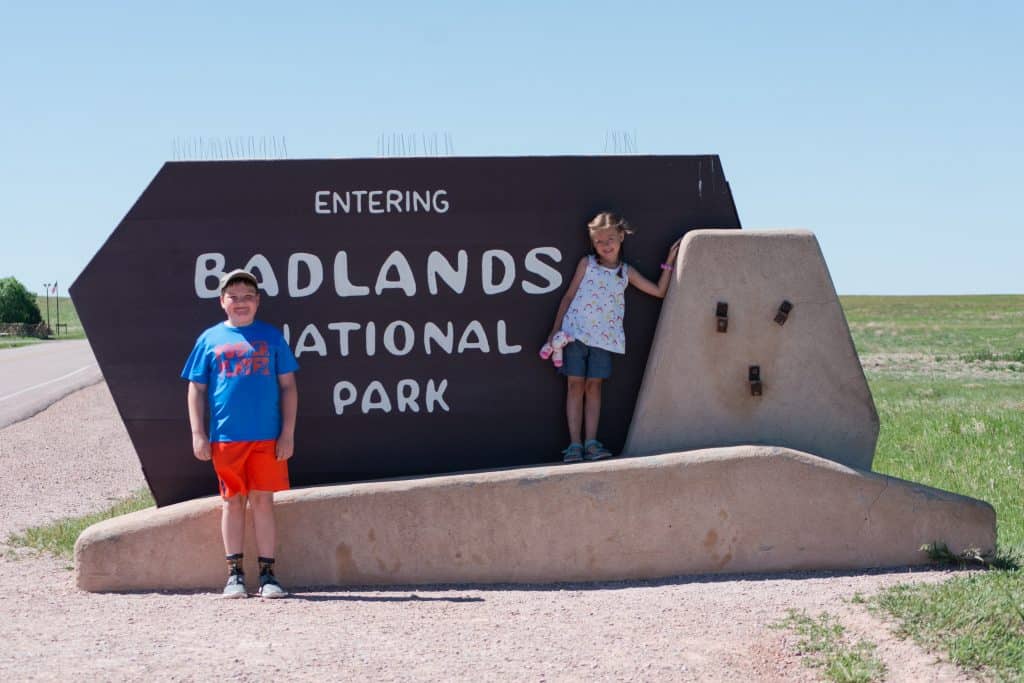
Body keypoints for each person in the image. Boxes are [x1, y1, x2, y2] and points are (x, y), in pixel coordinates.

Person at [181, 268, 299, 599]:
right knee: (232, 502)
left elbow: (288, 387)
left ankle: (268, 575)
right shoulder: (209, 339)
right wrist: (198, 433)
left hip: (266, 439)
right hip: (226, 438)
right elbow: (196, 389)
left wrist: (287, 433)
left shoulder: (272, 337)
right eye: (234, 296)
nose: (241, 302)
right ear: (222, 302)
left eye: (248, 296)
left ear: (258, 301)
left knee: (263, 502)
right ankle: (234, 574)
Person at [547, 212, 680, 463]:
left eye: (610, 239)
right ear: (592, 243)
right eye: (599, 241)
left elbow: (659, 291)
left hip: (604, 341)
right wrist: (555, 330)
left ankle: (591, 443)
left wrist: (669, 262)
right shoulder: (586, 264)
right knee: (574, 386)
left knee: (594, 387)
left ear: (621, 237)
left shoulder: (625, 272)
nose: (606, 245)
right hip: (574, 336)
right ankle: (574, 445)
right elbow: (568, 296)